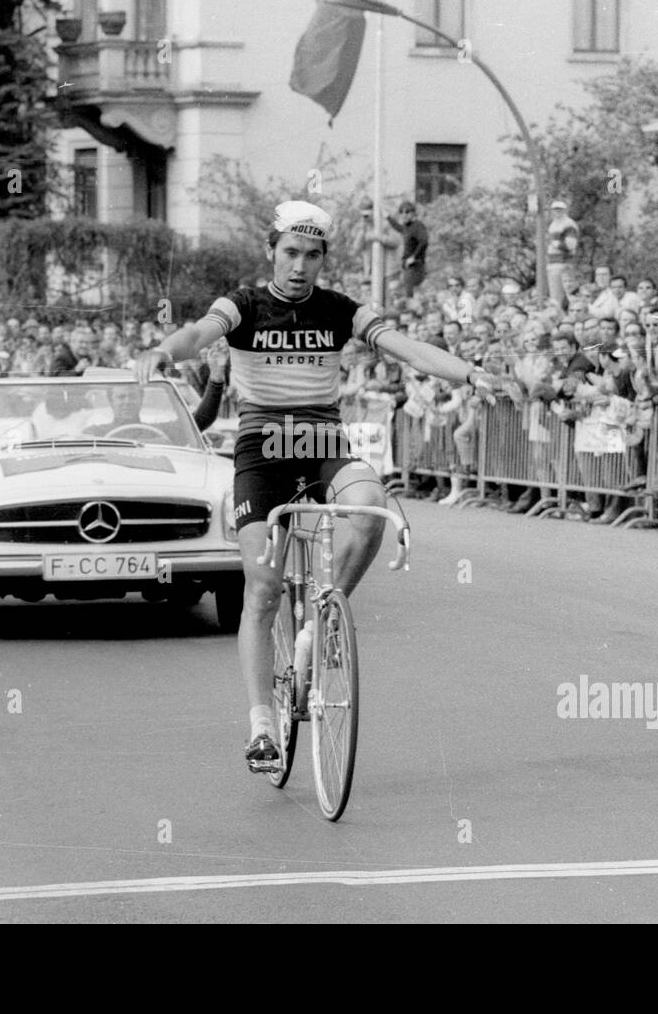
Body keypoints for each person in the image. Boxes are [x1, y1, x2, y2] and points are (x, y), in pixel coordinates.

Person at [134, 201, 497, 771]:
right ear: (272, 253)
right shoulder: (244, 304)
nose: (300, 266)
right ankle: (260, 725)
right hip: (261, 453)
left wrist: (471, 373)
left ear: (324, 258)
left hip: (323, 445)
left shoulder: (340, 310)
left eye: (312, 256)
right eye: (291, 254)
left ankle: (327, 616)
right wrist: (164, 350)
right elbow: (199, 331)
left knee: (370, 505)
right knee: (262, 588)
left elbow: (409, 350)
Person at [386, 200, 429, 298]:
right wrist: (388, 217)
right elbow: (399, 228)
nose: (404, 215)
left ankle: (410, 311)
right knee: (403, 290)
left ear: (413, 213)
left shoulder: (418, 226)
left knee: (409, 292)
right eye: (402, 212)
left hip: (416, 266)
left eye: (407, 212)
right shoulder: (407, 227)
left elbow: (424, 241)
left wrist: (414, 257)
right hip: (407, 266)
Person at [545, 199, 580, 305]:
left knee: (562, 296)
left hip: (563, 263)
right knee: (555, 296)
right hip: (553, 263)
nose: (557, 212)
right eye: (555, 209)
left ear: (564, 210)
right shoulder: (554, 223)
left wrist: (556, 244)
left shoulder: (568, 224)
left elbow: (571, 245)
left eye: (559, 209)